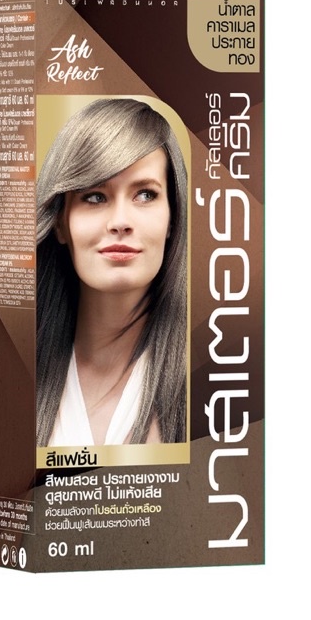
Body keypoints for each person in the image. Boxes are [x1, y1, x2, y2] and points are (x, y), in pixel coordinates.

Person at [36, 98, 188, 447]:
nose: (120, 221)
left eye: (145, 194)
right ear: (60, 222)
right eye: (95, 197)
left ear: (172, 218)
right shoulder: (12, 372)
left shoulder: (210, 373)